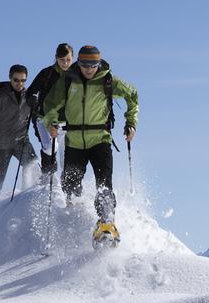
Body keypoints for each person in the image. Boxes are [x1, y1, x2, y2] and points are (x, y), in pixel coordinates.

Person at [41, 45, 139, 243]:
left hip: (100, 140)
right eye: (84, 64)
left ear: (98, 63)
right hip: (75, 141)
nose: (88, 68)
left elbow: (133, 95)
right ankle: (74, 218)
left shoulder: (107, 79)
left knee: (104, 183)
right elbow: (50, 104)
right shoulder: (68, 79)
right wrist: (51, 122)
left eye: (93, 64)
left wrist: (131, 123)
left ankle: (106, 224)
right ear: (79, 62)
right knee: (70, 184)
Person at [0, 65, 38, 198]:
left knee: (33, 167)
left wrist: (36, 105)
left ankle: (29, 196)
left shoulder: (29, 96)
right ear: (10, 78)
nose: (19, 83)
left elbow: (39, 117)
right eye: (16, 80)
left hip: (21, 141)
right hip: (0, 144)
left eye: (23, 80)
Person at [26, 43, 74, 175]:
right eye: (62, 60)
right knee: (49, 148)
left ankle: (69, 190)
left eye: (68, 60)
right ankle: (47, 180)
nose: (65, 63)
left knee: (67, 158)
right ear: (56, 58)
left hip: (67, 123)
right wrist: (32, 99)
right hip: (44, 119)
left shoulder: (76, 76)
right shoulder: (47, 73)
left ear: (73, 58)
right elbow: (30, 91)